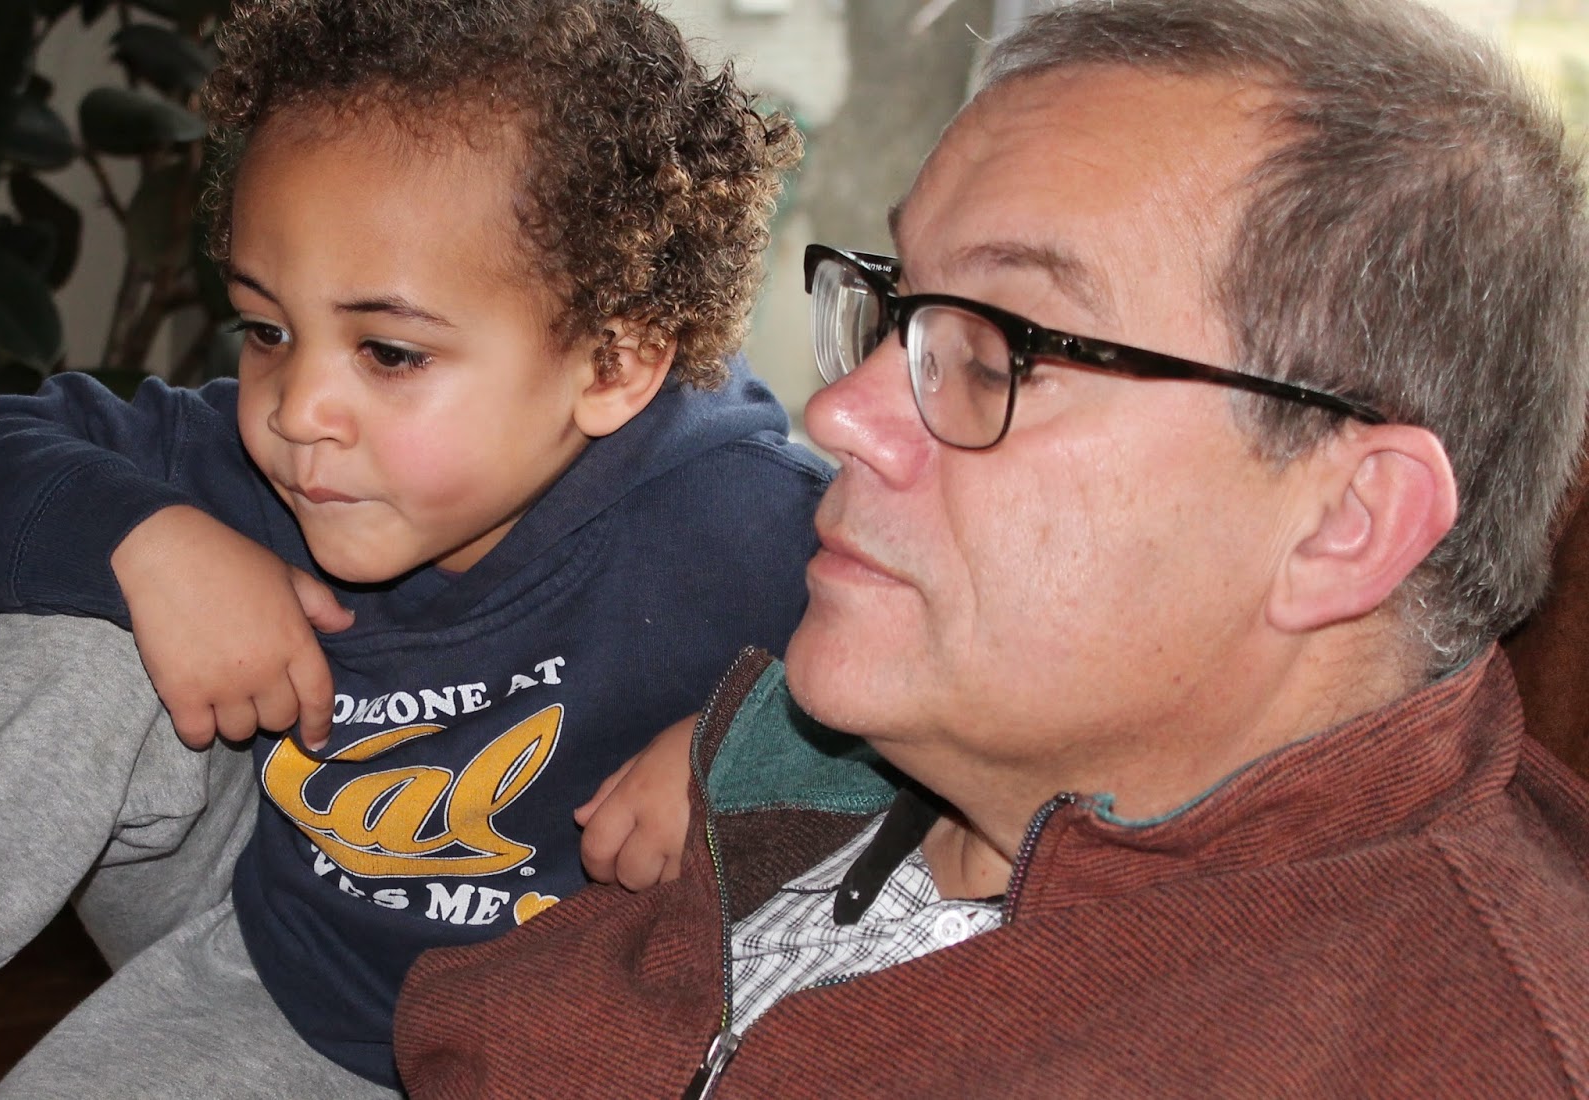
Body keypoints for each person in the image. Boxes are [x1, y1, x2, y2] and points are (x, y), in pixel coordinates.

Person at [391, 0, 1589, 1095]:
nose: (839, 412)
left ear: (1344, 522)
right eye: (898, 309)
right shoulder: (814, 766)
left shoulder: (1457, 1048)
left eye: (1003, 349)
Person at [0, 0, 825, 1094]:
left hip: (576, 1042)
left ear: (612, 365)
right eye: (267, 330)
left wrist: (754, 741)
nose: (297, 409)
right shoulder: (257, 461)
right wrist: (149, 540)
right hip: (292, 973)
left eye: (387, 352)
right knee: (77, 621)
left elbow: (979, 684)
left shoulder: (747, 520)